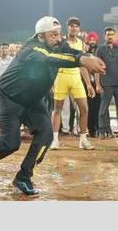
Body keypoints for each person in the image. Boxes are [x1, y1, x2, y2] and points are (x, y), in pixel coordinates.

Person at [0, 16, 105, 196]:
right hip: (9, 99)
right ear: (40, 36)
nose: (58, 38)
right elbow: (50, 58)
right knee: (10, 144)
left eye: (59, 34)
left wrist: (86, 56)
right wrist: (81, 61)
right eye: (53, 35)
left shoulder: (57, 43)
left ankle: (24, 176)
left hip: (33, 101)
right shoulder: (30, 49)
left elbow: (70, 50)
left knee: (46, 135)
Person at [50, 17, 95, 150]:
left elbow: (82, 66)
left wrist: (88, 84)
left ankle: (83, 140)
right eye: (71, 26)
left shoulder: (81, 43)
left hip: (75, 78)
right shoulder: (61, 41)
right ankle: (55, 140)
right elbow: (53, 62)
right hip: (61, 77)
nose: (74, 28)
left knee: (84, 109)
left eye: (76, 26)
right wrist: (52, 81)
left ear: (79, 28)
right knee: (57, 109)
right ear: (67, 28)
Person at [96, 27, 118, 138]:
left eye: (112, 34)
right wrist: (98, 85)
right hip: (106, 83)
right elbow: (96, 68)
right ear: (105, 36)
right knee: (103, 109)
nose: (110, 36)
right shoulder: (100, 50)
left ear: (115, 36)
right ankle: (102, 131)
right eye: (108, 34)